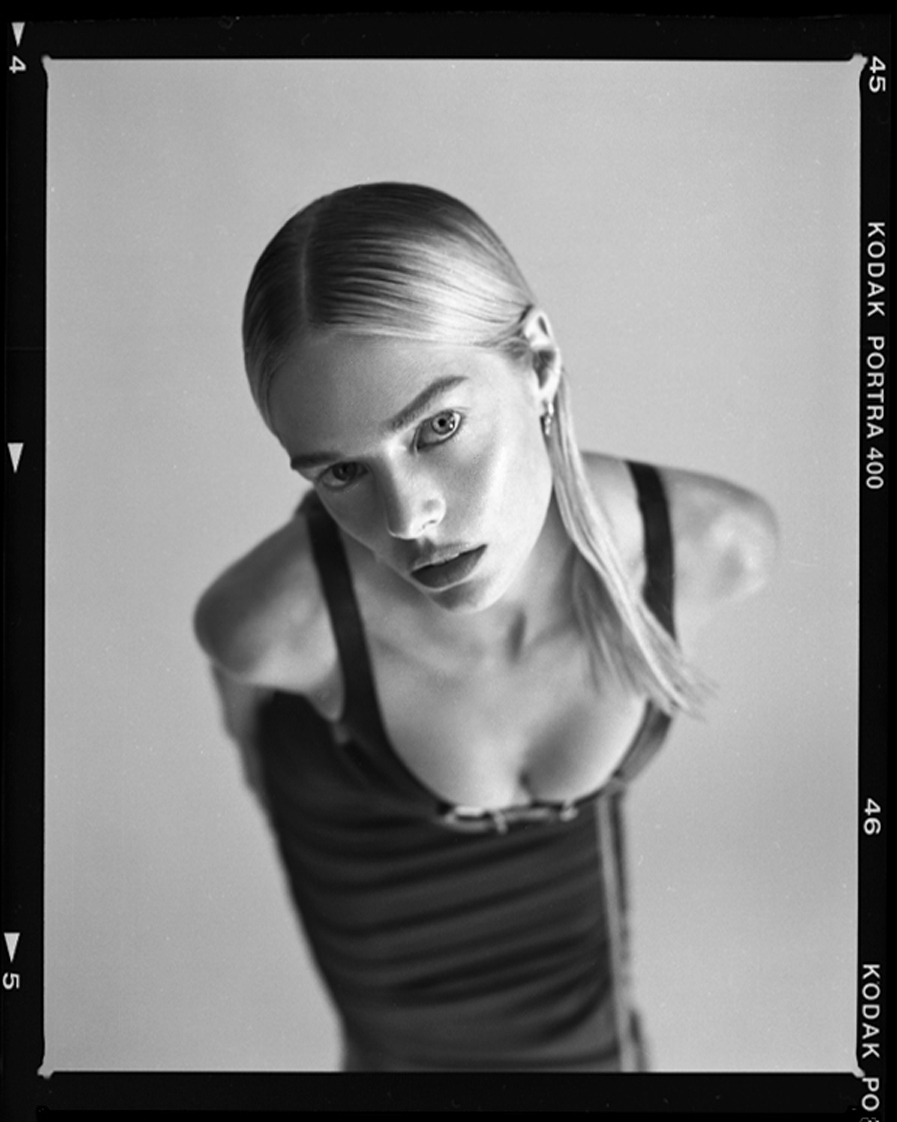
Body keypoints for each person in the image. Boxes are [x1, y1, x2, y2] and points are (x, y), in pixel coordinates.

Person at [194, 182, 777, 1072]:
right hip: (395, 1001)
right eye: (340, 473)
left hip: (586, 1018)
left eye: (438, 427)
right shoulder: (274, 626)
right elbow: (249, 734)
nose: (408, 518)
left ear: (536, 361)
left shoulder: (713, 545)